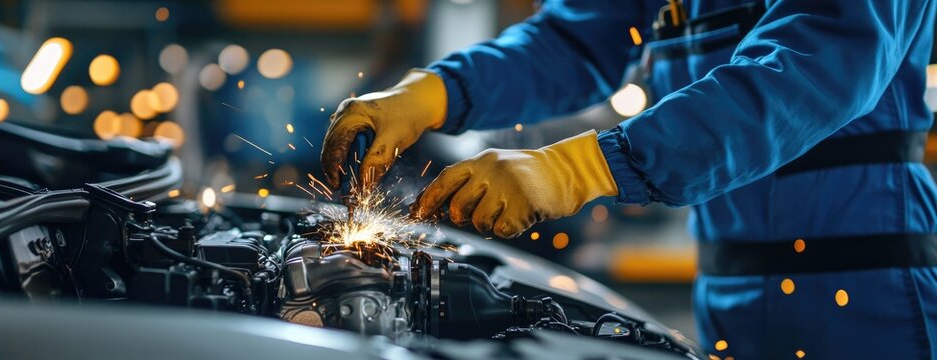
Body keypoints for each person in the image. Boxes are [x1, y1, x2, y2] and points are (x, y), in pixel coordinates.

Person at [320, 0, 937, 358]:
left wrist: (581, 166)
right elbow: (575, 39)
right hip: (727, 285)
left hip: (866, 288)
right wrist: (433, 93)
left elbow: (810, 67)